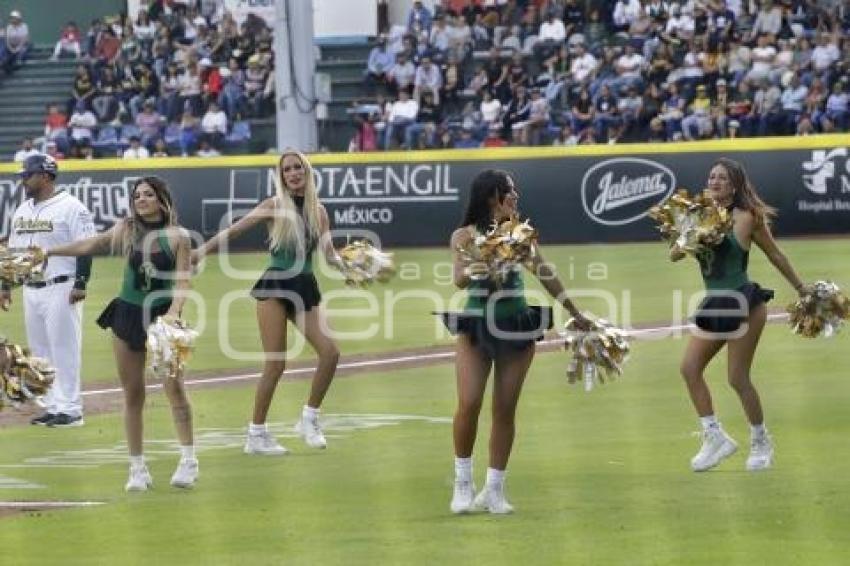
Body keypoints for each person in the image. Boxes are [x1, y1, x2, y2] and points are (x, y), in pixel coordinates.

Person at [443, 169, 589, 515]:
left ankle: (495, 490)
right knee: (469, 403)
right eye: (511, 191)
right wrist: (482, 261)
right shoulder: (464, 235)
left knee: (504, 408)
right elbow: (459, 280)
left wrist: (574, 310)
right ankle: (464, 484)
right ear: (493, 196)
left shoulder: (521, 234)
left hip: (516, 323)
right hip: (477, 323)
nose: (516, 195)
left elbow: (545, 273)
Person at [46, 176, 197, 491]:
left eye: (147, 194)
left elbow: (183, 281)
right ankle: (137, 468)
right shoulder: (127, 229)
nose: (141, 199)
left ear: (161, 199)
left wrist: (172, 314)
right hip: (127, 313)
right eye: (137, 195)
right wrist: (49, 251)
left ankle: (188, 459)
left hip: (164, 317)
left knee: (175, 390)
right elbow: (91, 243)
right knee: (133, 394)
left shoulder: (178, 236)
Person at [194, 150, 342, 455]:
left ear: (306, 170)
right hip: (275, 284)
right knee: (275, 363)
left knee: (330, 353)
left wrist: (351, 267)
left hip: (305, 284)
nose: (293, 173)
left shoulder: (320, 211)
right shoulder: (274, 206)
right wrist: (201, 252)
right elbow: (235, 230)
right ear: (282, 176)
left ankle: (309, 418)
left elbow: (329, 253)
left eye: (297, 167)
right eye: (287, 170)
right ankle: (256, 435)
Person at [672, 158, 807, 473]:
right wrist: (690, 236)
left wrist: (801, 288)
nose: (715, 181)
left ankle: (761, 441)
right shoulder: (698, 216)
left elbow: (774, 253)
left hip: (744, 303)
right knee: (689, 368)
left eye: (722, 177)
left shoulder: (747, 217)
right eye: (711, 177)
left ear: (734, 184)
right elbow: (675, 255)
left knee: (737, 377)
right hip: (714, 303)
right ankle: (714, 437)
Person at [0, 154, 94, 428]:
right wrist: (5, 286)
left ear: (46, 176)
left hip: (61, 286)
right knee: (41, 353)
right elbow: (13, 253)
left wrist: (81, 282)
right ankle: (52, 406)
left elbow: (86, 245)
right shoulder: (22, 211)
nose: (23, 181)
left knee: (64, 349)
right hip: (32, 289)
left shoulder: (71, 207)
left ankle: (71, 409)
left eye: (27, 175)